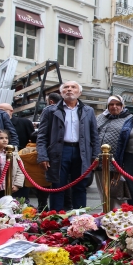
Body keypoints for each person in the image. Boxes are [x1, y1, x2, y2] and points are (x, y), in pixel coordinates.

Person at [36, 81, 99, 211]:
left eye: (73, 87)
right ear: (61, 92)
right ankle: (56, 218)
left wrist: (95, 156)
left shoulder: (88, 110)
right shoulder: (50, 111)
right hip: (59, 151)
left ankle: (80, 219)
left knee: (80, 186)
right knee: (58, 186)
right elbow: (41, 136)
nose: (69, 89)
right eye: (66, 87)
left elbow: (94, 135)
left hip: (81, 151)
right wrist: (42, 156)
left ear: (79, 93)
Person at [94, 95, 133, 211]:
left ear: (122, 105)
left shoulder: (130, 119)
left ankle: (119, 214)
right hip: (100, 160)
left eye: (117, 104)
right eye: (111, 104)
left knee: (118, 189)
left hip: (118, 160)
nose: (114, 107)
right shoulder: (100, 117)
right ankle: (105, 211)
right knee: (103, 189)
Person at [0, 103, 35, 202]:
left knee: (20, 184)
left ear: (11, 111)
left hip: (21, 157)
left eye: (3, 110)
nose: (0, 113)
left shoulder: (24, 122)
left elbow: (32, 138)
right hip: (0, 158)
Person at [18, 132, 51, 210]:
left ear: (30, 140)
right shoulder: (45, 152)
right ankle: (43, 210)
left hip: (28, 179)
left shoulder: (22, 151)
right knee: (43, 199)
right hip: (44, 180)